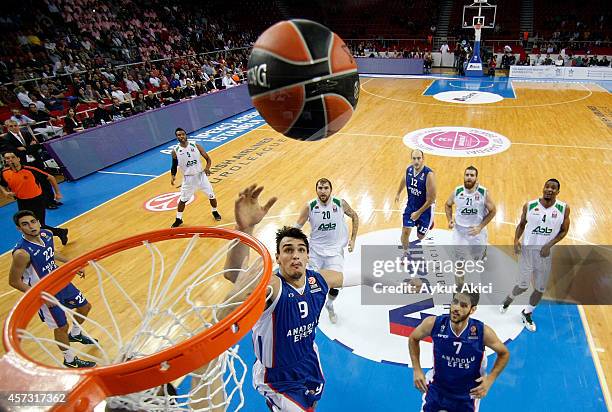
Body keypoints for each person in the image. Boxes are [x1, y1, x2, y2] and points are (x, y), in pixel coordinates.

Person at [222, 184, 366, 411]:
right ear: (278, 258)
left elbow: (362, 277)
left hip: (309, 360)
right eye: (288, 250)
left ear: (308, 256)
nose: (295, 255)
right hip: (277, 377)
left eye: (301, 250)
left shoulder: (318, 280)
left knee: (313, 403)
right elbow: (233, 275)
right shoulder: (272, 286)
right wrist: (245, 230)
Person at [9, 210, 96, 368]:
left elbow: (50, 253)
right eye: (25, 224)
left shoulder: (47, 234)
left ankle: (76, 334)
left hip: (60, 281)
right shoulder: (21, 253)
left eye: (33, 221)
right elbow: (14, 282)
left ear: (38, 222)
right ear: (19, 229)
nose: (31, 226)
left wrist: (72, 264)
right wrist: (40, 296)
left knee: (85, 307)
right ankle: (69, 360)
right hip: (44, 292)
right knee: (61, 326)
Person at [409, 292, 510, 412]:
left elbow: (504, 353)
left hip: (467, 395)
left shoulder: (482, 332)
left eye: (463, 305)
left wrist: (490, 379)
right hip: (438, 388)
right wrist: (417, 370)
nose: (456, 308)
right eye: (455, 302)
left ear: (472, 310)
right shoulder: (434, 323)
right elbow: (413, 338)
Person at [500, 179, 570, 332]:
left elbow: (564, 230)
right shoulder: (530, 205)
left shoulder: (563, 208)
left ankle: (527, 313)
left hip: (545, 254)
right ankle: (509, 298)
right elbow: (521, 224)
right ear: (543, 188)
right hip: (527, 252)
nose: (549, 190)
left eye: (553, 188)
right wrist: (515, 239)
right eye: (547, 186)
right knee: (523, 286)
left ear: (558, 192)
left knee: (540, 288)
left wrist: (549, 244)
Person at [294, 178, 359, 324]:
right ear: (316, 190)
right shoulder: (310, 206)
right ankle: (308, 313)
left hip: (335, 252)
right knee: (310, 284)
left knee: (335, 284)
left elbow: (354, 216)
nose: (323, 191)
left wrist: (353, 239)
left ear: (330, 190)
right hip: (315, 252)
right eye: (320, 188)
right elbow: (295, 228)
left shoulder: (339, 203)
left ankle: (329, 305)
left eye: (325, 188)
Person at [1, 151, 68, 245]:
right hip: (21, 202)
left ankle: (59, 233)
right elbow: (2, 184)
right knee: (26, 225)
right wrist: (5, 192)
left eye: (12, 157)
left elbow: (51, 177)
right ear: (5, 161)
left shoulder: (30, 169)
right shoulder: (5, 172)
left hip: (37, 200)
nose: (10, 160)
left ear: (18, 159)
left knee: (39, 225)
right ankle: (50, 237)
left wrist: (57, 193)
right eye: (7, 158)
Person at [445, 166, 496, 285]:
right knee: (459, 262)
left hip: (477, 231)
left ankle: (483, 253)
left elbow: (493, 211)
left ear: (476, 178)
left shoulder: (483, 193)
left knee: (478, 258)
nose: (469, 177)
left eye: (472, 175)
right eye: (467, 175)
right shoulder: (457, 191)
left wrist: (480, 226)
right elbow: (447, 205)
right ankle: (459, 288)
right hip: (460, 232)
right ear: (464, 176)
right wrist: (449, 219)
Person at [170, 127, 221, 227]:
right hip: (188, 179)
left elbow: (208, 159)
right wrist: (173, 176)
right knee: (183, 200)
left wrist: (207, 168)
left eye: (182, 134)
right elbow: (174, 165)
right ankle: (178, 219)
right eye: (179, 135)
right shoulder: (175, 151)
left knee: (211, 195)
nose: (181, 136)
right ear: (177, 137)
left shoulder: (196, 145)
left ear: (186, 135)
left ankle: (214, 211)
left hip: (201, 176)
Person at [395, 149, 436, 257]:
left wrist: (418, 213)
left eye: (419, 158)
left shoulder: (428, 174)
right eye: (414, 158)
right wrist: (398, 193)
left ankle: (430, 223)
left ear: (423, 159)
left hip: (425, 209)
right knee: (405, 232)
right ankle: (405, 253)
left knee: (420, 236)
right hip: (411, 206)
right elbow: (404, 179)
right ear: (411, 159)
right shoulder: (408, 170)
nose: (416, 161)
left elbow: (432, 199)